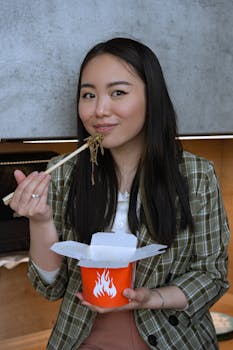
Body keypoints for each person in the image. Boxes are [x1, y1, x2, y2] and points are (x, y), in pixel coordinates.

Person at [10, 37, 229, 350]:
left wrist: (153, 297)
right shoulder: (62, 172)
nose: (99, 110)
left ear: (151, 99)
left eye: (118, 93)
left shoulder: (195, 175)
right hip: (81, 338)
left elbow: (211, 276)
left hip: (174, 338)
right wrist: (40, 220)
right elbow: (50, 288)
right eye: (89, 95)